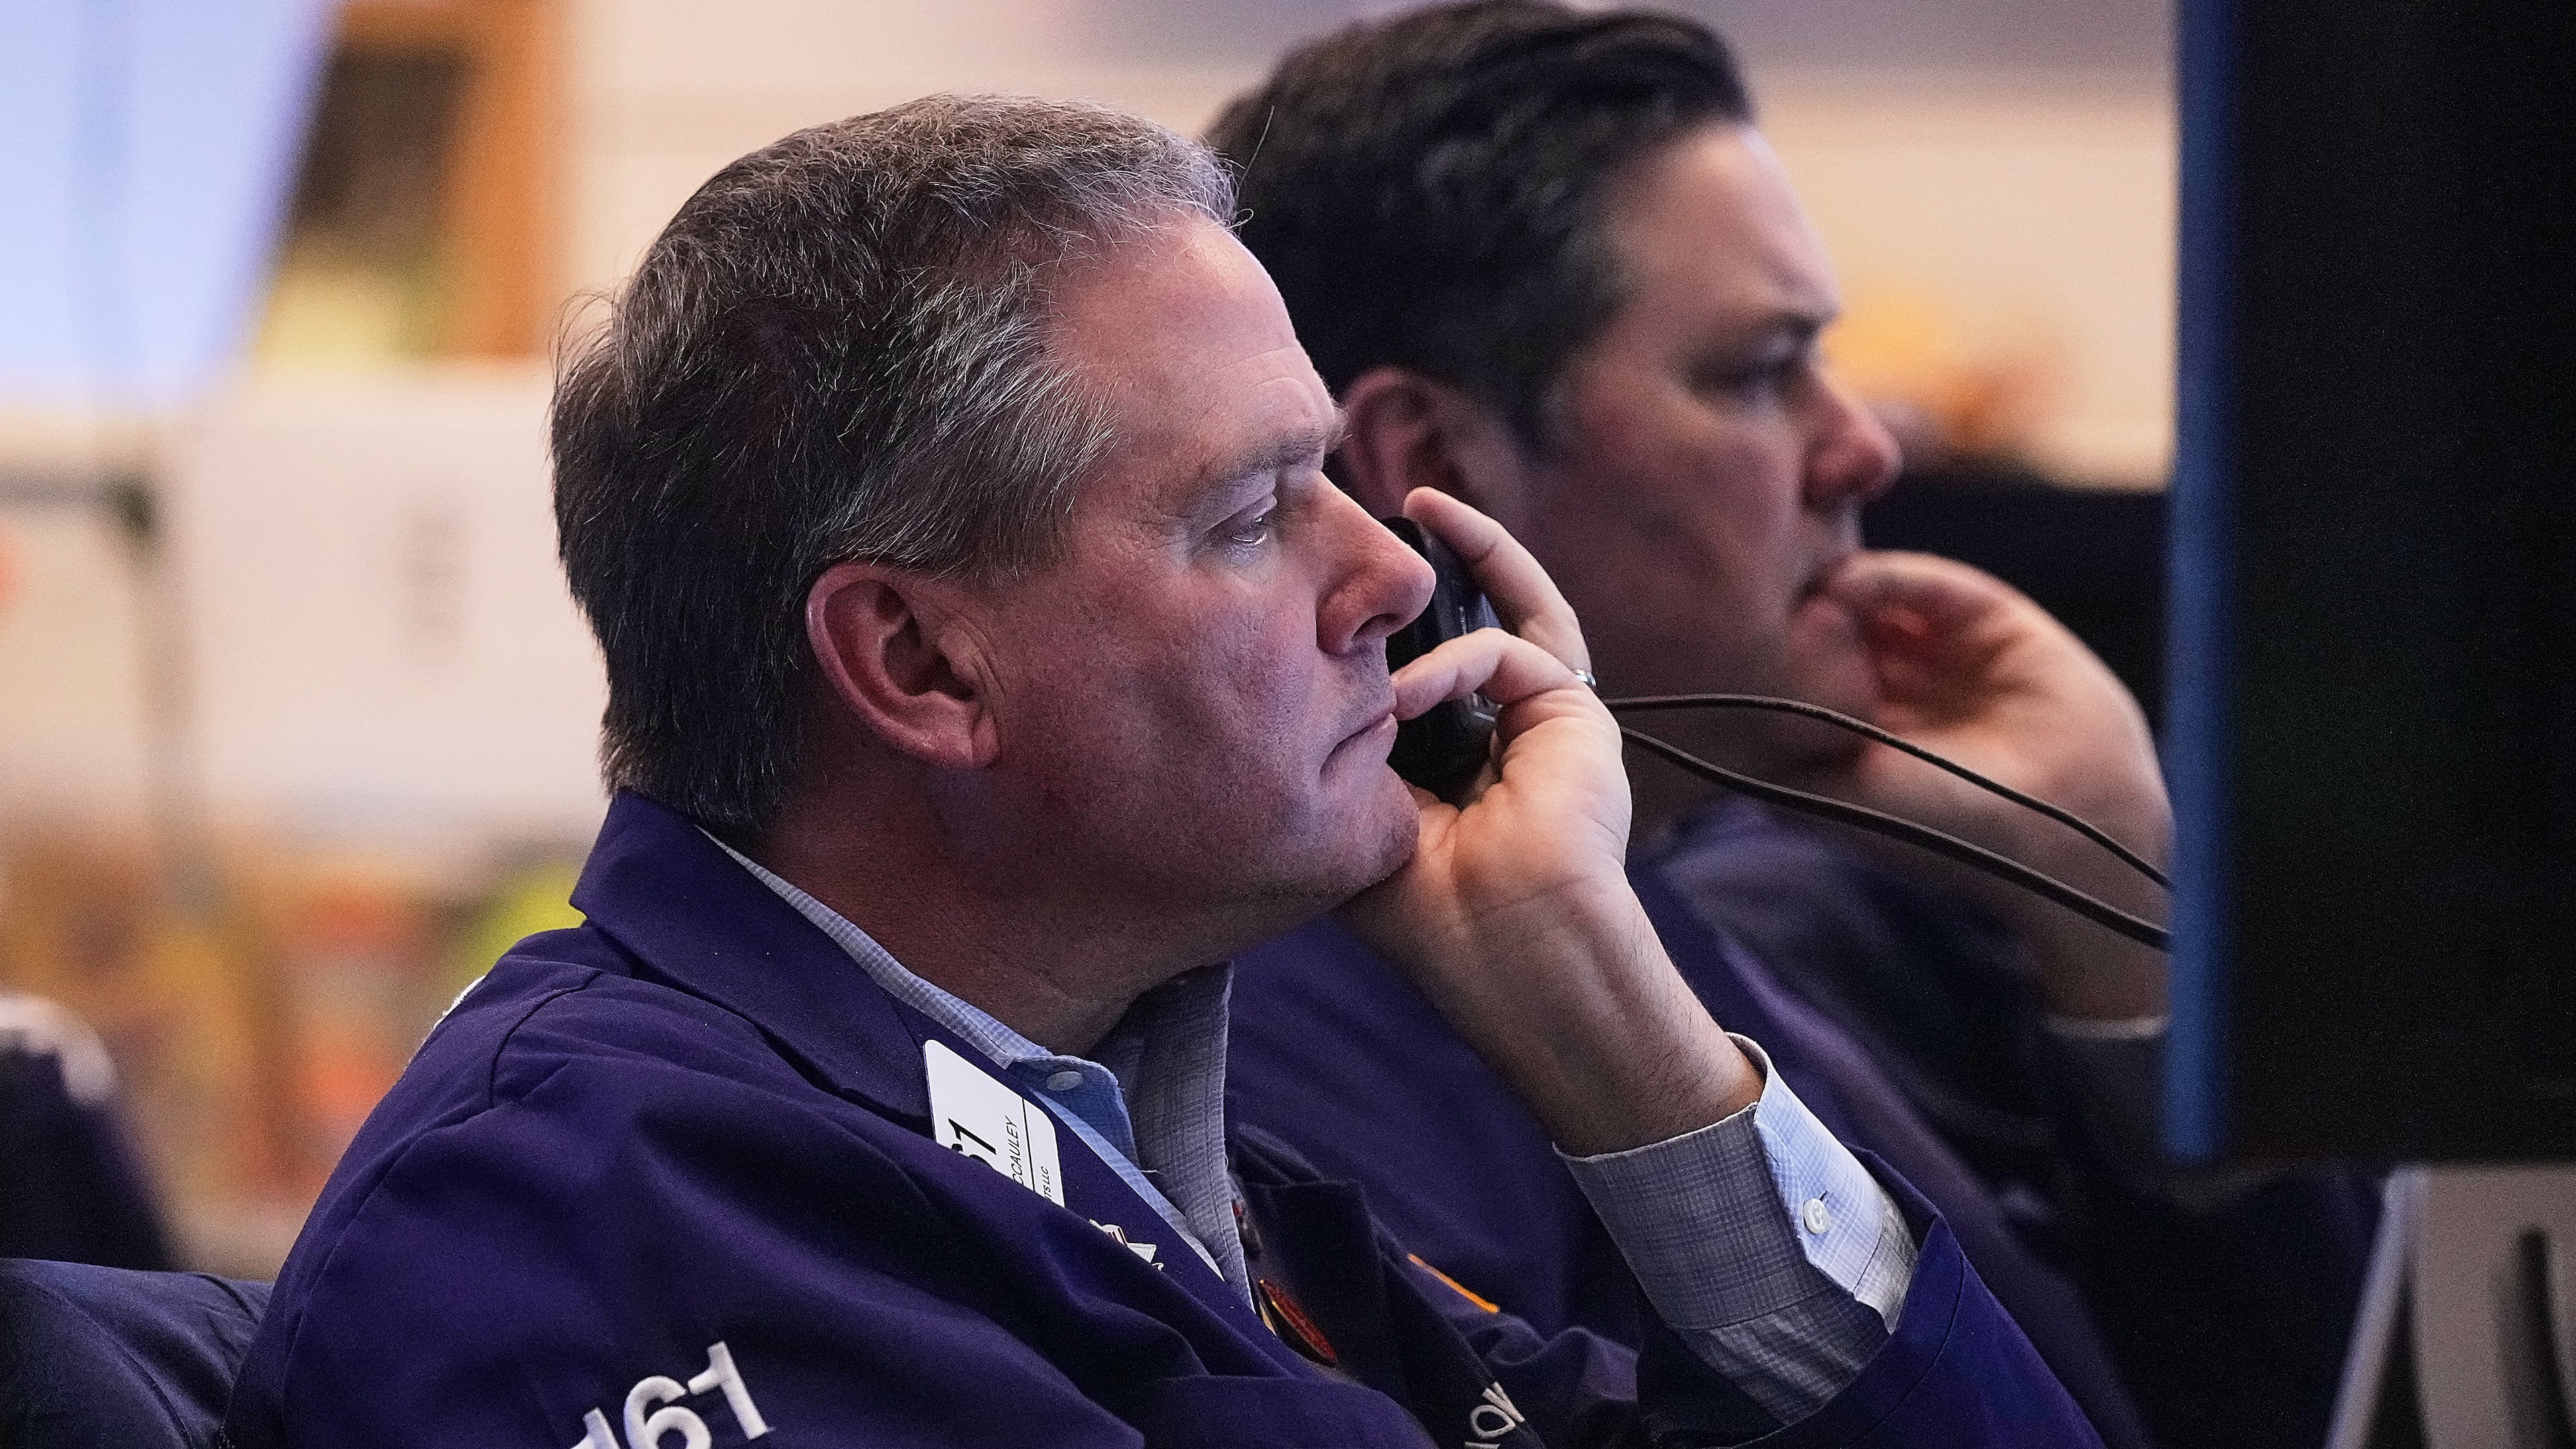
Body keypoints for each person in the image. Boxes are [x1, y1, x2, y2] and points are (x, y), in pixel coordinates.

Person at [223, 96, 2100, 1447]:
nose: (1387, 573)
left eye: (1336, 483)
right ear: (921, 663)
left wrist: (1611, 1016)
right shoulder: (591, 1217)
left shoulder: (1183, 1169)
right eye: (1251, 514)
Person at [1210, 7, 2377, 1449]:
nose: (1867, 444)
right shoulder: (1290, 1067)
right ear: (1438, 464)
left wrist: (2108, 880)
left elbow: (2330, 1406)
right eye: (1760, 371)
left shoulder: (1829, 907)